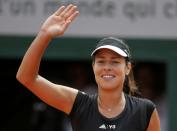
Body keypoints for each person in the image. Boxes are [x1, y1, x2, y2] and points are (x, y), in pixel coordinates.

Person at [16, 4, 161, 131]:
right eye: (101, 61)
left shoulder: (145, 110)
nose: (107, 67)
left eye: (115, 62)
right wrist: (44, 35)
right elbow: (26, 78)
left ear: (127, 68)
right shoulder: (78, 103)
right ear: (93, 67)